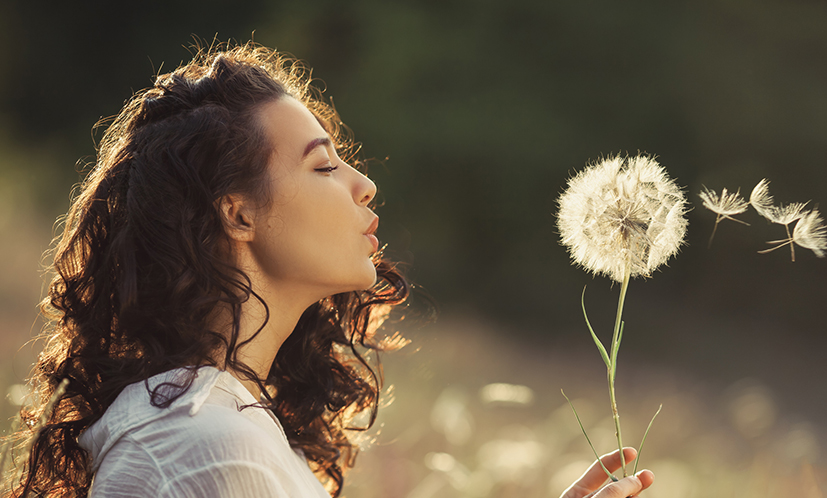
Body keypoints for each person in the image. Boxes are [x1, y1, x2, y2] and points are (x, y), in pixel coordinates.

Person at [5, 42, 654, 497]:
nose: (364, 184)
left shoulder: (227, 423)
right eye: (322, 166)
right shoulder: (207, 446)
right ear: (236, 213)